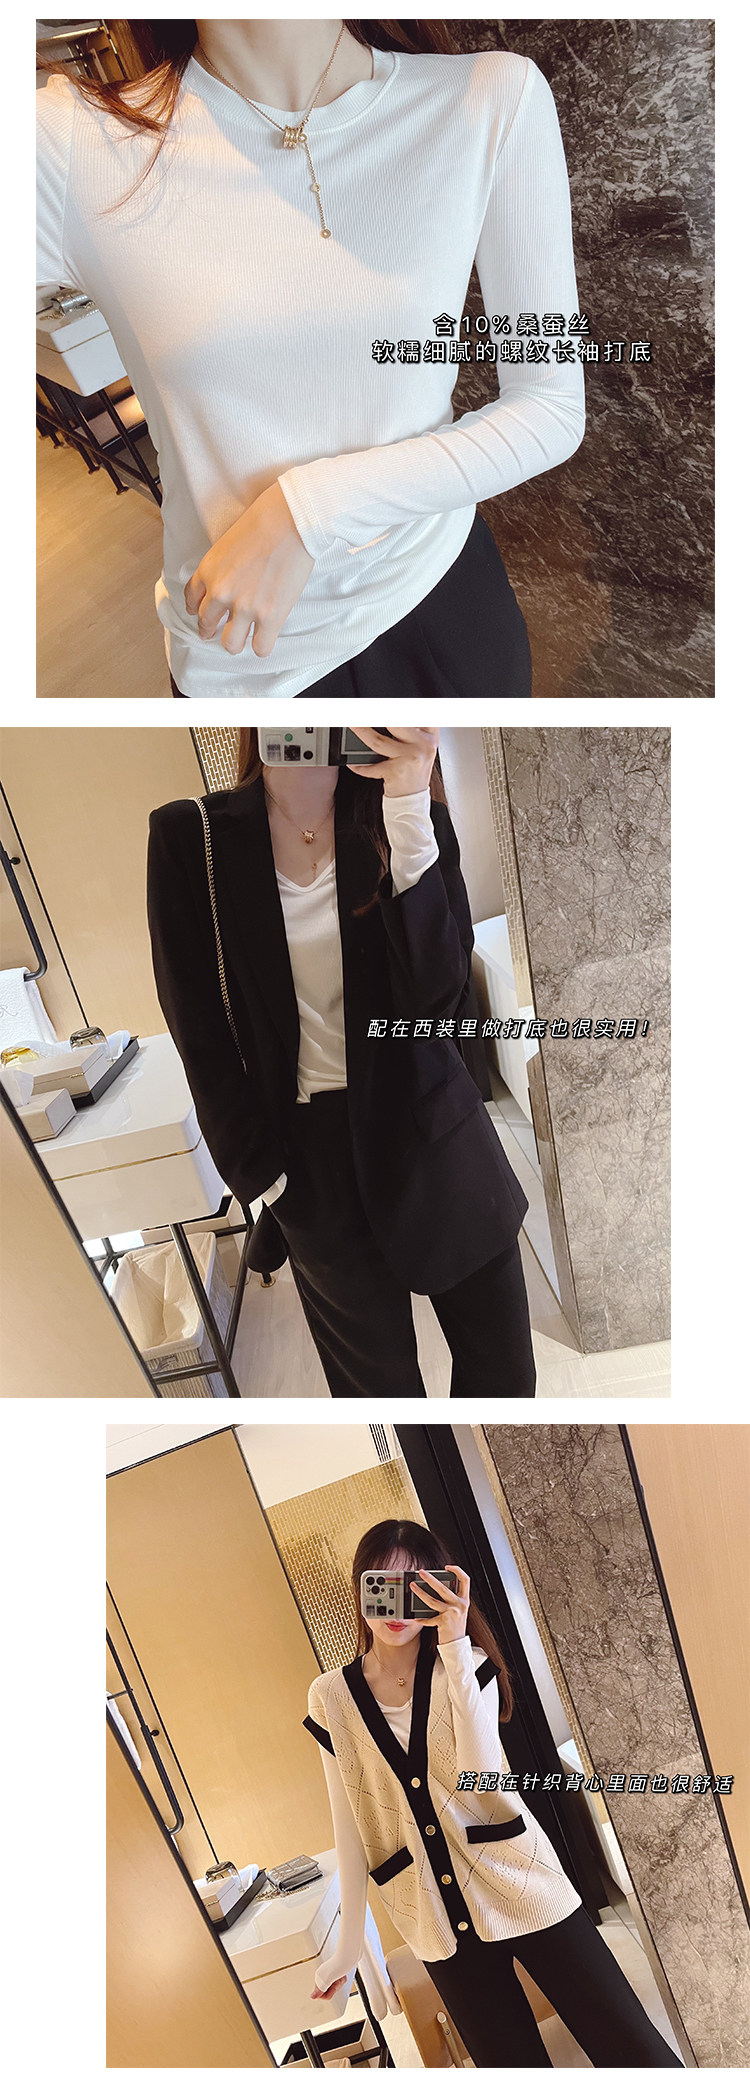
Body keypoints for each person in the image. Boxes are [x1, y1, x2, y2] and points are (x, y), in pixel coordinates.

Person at [36, 19, 585, 700]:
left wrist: (309, 512)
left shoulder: (491, 97)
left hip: (440, 601)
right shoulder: (68, 144)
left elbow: (551, 407)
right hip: (239, 654)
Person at [146, 726, 536, 1397]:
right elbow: (197, 1028)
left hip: (436, 1133)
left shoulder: (407, 813)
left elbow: (440, 1001)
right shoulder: (192, 838)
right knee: (382, 1397)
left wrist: (408, 802)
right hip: (308, 1168)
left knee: (504, 1380)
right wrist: (267, 1180)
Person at [304, 1519, 684, 2069]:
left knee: (632, 2047)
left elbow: (481, 1777)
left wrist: (455, 1643)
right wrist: (346, 1950)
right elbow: (350, 1824)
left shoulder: (466, 1665)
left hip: (521, 1879)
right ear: (360, 1589)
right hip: (433, 1917)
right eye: (381, 1585)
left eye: (415, 1588)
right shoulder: (330, 1697)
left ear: (439, 1591)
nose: (396, 1607)